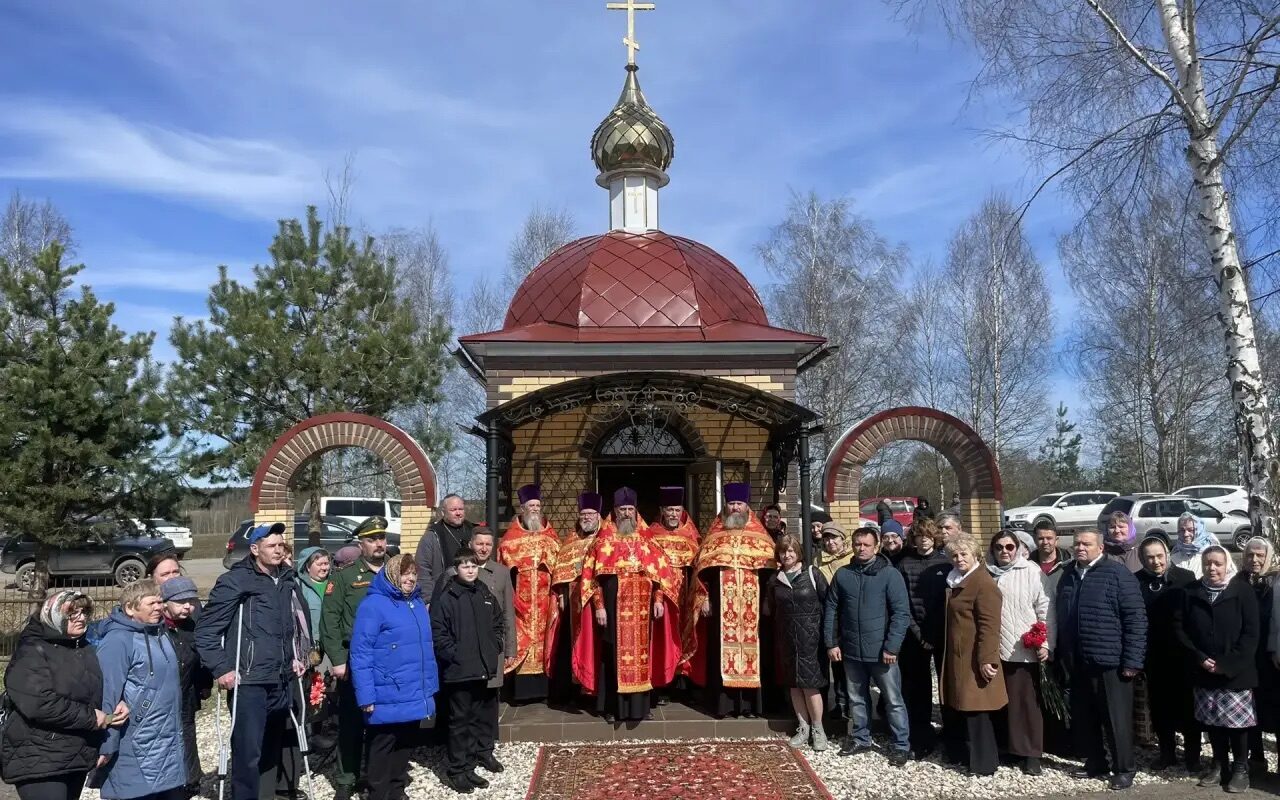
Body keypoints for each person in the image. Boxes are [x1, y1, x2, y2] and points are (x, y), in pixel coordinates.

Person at [196, 523, 309, 800]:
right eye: (272, 546)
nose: (279, 550)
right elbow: (207, 630)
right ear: (255, 549)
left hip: (281, 677)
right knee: (248, 751)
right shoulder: (235, 581)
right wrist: (221, 668)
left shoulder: (285, 579)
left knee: (272, 746)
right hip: (249, 679)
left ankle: (266, 795)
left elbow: (289, 628)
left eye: (281, 545)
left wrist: (295, 657)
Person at [1, 591, 125, 800]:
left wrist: (118, 702)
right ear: (53, 615)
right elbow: (40, 704)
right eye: (72, 614)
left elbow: (95, 688)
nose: (81, 618)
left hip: (75, 753)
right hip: (38, 757)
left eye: (85, 612)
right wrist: (91, 718)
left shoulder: (84, 647)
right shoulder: (32, 651)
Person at [575, 487, 680, 723]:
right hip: (613, 608)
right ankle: (612, 707)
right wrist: (599, 606)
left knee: (643, 656)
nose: (626, 513)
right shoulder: (604, 539)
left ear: (635, 511)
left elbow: (661, 573)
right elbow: (592, 577)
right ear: (614, 511)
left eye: (630, 509)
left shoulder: (647, 538)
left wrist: (659, 599)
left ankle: (641, 708)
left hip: (642, 610)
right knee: (612, 654)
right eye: (622, 509)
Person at [1056, 530, 1147, 790]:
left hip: (1111, 661)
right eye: (1077, 544)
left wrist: (1132, 661)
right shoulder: (1070, 574)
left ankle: (1124, 768)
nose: (1080, 548)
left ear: (1101, 547)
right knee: (1085, 717)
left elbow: (1135, 619)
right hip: (1078, 659)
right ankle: (1096, 762)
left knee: (1115, 719)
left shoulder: (1117, 574)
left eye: (1086, 544)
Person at [350, 554, 440, 800]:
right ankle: (378, 792)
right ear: (392, 575)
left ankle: (397, 789)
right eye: (405, 573)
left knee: (406, 742)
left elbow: (424, 648)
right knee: (383, 744)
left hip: (413, 689)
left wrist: (429, 686)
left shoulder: (417, 603)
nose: (410, 578)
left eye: (413, 573)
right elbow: (361, 653)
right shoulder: (374, 605)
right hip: (387, 690)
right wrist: (366, 694)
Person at [683, 482, 776, 718]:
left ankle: (751, 706)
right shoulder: (715, 535)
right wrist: (703, 598)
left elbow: (770, 574)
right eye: (732, 503)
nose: (735, 508)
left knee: (755, 654)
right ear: (726, 506)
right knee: (720, 652)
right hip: (721, 607)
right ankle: (724, 705)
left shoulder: (761, 537)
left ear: (747, 507)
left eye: (739, 504)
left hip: (753, 611)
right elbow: (700, 570)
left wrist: (766, 600)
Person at [823, 526, 911, 765]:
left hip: (883, 652)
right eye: (857, 544)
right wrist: (831, 642)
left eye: (866, 545)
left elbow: (901, 614)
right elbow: (831, 609)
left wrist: (892, 647)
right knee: (857, 698)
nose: (861, 548)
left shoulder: (889, 575)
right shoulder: (843, 574)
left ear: (876, 547)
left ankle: (901, 744)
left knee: (893, 700)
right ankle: (861, 738)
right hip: (851, 651)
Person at [1174, 546, 1259, 792]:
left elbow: (1251, 633)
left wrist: (1226, 664)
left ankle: (1241, 768)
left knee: (1237, 724)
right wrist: (1199, 657)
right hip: (1204, 670)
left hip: (1236, 671)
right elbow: (1180, 628)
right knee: (1213, 721)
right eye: (1208, 563)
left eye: (1217, 564)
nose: (1212, 568)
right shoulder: (1191, 592)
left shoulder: (1242, 591)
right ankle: (1219, 764)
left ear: (1226, 565)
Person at [317, 517, 388, 800]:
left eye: (381, 537)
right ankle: (347, 778)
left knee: (384, 725)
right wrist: (337, 660)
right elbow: (330, 622)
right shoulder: (345, 577)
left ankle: (379, 778)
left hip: (387, 662)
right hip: (354, 662)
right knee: (351, 723)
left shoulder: (395, 572)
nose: (379, 543)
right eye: (372, 539)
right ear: (361, 545)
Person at [96, 580, 187, 800]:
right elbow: (107, 692)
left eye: (160, 601)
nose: (159, 607)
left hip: (167, 740)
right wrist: (105, 744)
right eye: (151, 603)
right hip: (135, 740)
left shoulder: (160, 634)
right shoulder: (118, 640)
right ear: (130, 608)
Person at [434, 526, 513, 773]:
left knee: (488, 707)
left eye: (488, 545)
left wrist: (506, 647)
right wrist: (454, 654)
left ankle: (485, 751)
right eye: (479, 544)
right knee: (463, 711)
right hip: (464, 660)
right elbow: (440, 618)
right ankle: (463, 758)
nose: (483, 548)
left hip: (489, 655)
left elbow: (506, 614)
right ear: (471, 543)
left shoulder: (500, 573)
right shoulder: (451, 574)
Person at [940, 533, 1007, 777]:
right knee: (965, 708)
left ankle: (984, 764)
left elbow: (990, 626)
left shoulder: (983, 583)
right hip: (959, 655)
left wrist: (987, 658)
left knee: (977, 709)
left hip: (973, 657)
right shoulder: (958, 580)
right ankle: (967, 756)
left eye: (964, 554)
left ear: (975, 554)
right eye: (955, 555)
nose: (959, 559)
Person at [986, 530, 1052, 775]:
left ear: (1018, 548)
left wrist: (1044, 642)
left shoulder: (1031, 572)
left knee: (1027, 704)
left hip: (1022, 648)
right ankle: (1010, 748)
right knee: (1002, 703)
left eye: (1010, 547)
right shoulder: (986, 573)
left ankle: (1031, 753)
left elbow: (1046, 608)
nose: (1004, 551)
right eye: (999, 547)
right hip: (994, 649)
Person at [1134, 534, 1200, 770]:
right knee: (1160, 707)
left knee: (1187, 706)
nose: (1156, 562)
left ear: (1167, 555)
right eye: (1149, 557)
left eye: (1160, 556)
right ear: (1142, 559)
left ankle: (1193, 756)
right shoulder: (1136, 581)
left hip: (1183, 654)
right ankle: (1167, 753)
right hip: (1154, 655)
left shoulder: (1186, 578)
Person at [497, 484, 560, 703]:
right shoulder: (510, 538)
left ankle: (543, 691)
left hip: (544, 599)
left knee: (545, 641)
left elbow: (560, 567)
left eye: (537, 505)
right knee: (521, 640)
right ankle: (521, 692)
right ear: (522, 508)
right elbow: (501, 567)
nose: (534, 509)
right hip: (520, 600)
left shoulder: (550, 536)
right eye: (531, 505)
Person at [766, 534, 830, 751]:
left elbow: (828, 603)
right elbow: (771, 609)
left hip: (811, 639)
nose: (787, 555)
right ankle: (803, 727)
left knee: (811, 686)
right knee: (793, 684)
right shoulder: (776, 579)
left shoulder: (812, 574)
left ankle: (818, 729)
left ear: (798, 552)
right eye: (783, 551)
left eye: (791, 551)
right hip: (787, 640)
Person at [896, 519, 950, 758]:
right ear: (914, 539)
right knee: (917, 688)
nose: (924, 539)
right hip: (914, 634)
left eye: (928, 535)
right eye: (919, 536)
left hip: (942, 633)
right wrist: (919, 634)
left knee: (947, 685)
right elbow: (902, 603)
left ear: (934, 537)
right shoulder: (905, 564)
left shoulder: (946, 563)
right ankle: (919, 736)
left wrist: (934, 633)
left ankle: (951, 734)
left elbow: (948, 602)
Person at [544, 492, 600, 706]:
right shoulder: (571, 539)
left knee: (595, 646)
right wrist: (560, 593)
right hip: (573, 601)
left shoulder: (605, 538)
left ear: (598, 515)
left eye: (590, 514)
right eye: (583, 514)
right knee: (572, 644)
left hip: (596, 602)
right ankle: (575, 692)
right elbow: (560, 570)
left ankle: (594, 691)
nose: (586, 518)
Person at [159, 577, 212, 796]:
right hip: (162, 699)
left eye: (191, 601)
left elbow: (199, 656)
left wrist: (205, 683)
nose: (188, 606)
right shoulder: (156, 628)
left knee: (187, 738)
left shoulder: (191, 625)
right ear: (165, 603)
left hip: (186, 695)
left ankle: (190, 782)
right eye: (181, 602)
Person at [1239, 537, 1276, 775]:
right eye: (1250, 555)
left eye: (1260, 555)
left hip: (1272, 657)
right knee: (1249, 710)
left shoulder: (1276, 581)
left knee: (1274, 708)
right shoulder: (1238, 582)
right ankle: (1256, 758)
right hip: (1247, 659)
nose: (1255, 560)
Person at [416, 494, 474, 593]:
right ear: (443, 512)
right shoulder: (432, 536)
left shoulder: (474, 531)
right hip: (444, 593)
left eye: (461, 509)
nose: (458, 513)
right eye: (453, 510)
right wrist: (428, 599)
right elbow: (423, 571)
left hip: (472, 591)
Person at [295, 547, 331, 639]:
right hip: (310, 641)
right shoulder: (297, 586)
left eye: (326, 564)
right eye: (319, 564)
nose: (324, 568)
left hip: (332, 641)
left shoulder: (335, 583)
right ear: (307, 566)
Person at [1170, 513, 1217, 578]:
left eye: (1190, 530)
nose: (1185, 534)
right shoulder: (1176, 551)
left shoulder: (1213, 551)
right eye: (1182, 530)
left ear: (1199, 530)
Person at [1031, 520, 1071, 594]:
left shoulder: (1069, 563)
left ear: (1056, 540)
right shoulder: (1028, 564)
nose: (1045, 542)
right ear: (1034, 540)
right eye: (1041, 539)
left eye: (1049, 538)